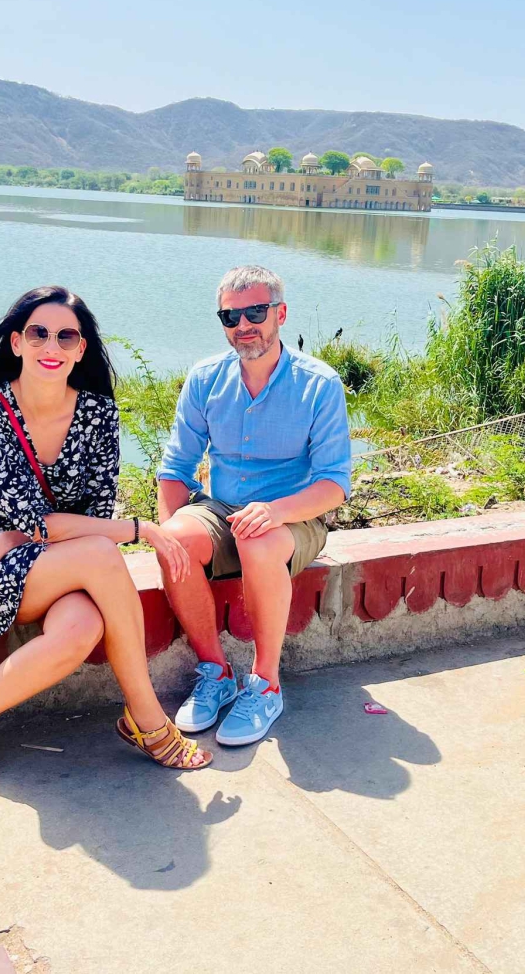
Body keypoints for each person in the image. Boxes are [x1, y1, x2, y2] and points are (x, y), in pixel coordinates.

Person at [0, 286, 210, 796]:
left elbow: (93, 513)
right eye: (39, 333)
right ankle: (148, 718)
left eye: (66, 336)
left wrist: (16, 534)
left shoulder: (97, 413)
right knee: (102, 550)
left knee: (81, 630)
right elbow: (38, 518)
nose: (52, 346)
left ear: (81, 349)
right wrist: (142, 529)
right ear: (17, 342)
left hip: (61, 558)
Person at [155, 265, 352, 747]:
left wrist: (277, 511)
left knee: (259, 540)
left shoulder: (319, 384)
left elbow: (334, 484)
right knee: (174, 538)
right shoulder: (205, 378)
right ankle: (216, 673)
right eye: (231, 316)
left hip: (293, 519)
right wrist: (169, 542)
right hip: (222, 510)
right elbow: (175, 468)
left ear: (280, 314)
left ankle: (265, 685)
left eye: (256, 312)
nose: (243, 325)